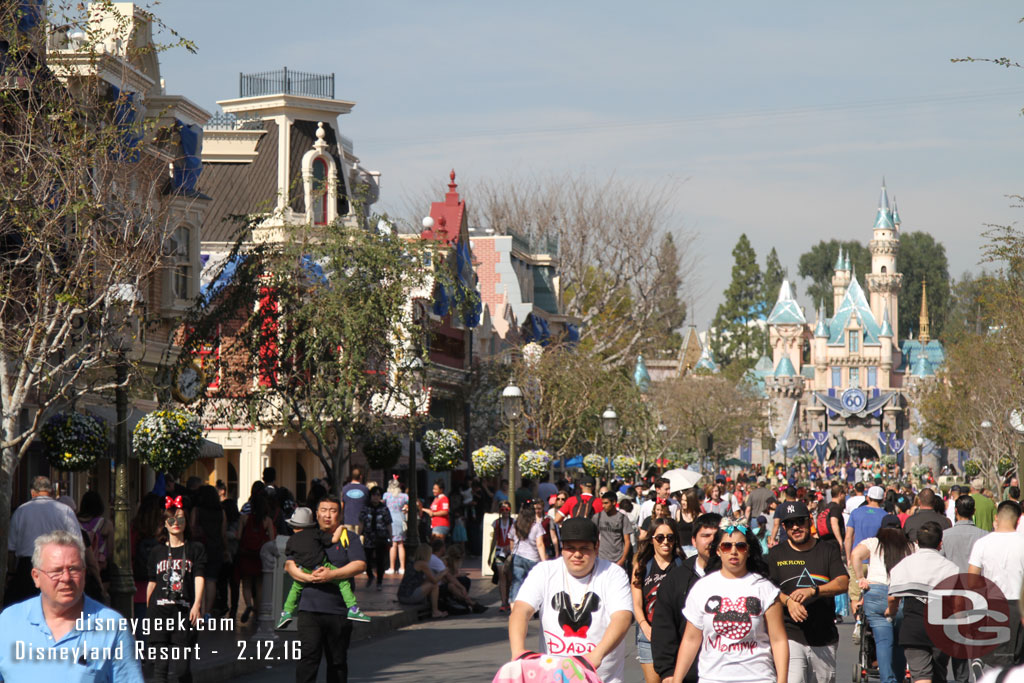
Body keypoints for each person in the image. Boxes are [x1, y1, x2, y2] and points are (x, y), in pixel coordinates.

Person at [0, 530, 142, 681]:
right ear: (36, 577)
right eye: (56, 571)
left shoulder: (112, 627)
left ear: (84, 574)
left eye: (73, 569)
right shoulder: (9, 621)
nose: (66, 578)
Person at [510, 518, 633, 683]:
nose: (577, 554)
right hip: (554, 676)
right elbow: (521, 610)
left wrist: (595, 656)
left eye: (584, 548)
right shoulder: (544, 571)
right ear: (562, 548)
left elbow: (622, 618)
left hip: (601, 677)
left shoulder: (613, 574)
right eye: (570, 548)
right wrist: (518, 651)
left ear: (596, 547)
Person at [671, 520, 789, 683]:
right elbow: (691, 639)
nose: (733, 551)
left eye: (740, 546)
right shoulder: (703, 588)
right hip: (712, 678)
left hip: (758, 678)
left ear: (748, 551)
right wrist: (677, 679)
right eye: (727, 546)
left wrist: (782, 680)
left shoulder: (764, 588)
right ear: (718, 551)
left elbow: (779, 640)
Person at [285, 495, 367, 683]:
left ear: (339, 514)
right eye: (323, 510)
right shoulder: (305, 536)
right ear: (316, 513)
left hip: (338, 611)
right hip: (309, 610)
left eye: (332, 510)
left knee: (337, 662)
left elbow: (360, 565)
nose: (327, 515)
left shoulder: (348, 538)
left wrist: (332, 575)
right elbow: (289, 565)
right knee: (308, 660)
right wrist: (307, 577)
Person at [767, 500, 849, 683]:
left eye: (800, 521)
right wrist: (788, 601)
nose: (795, 527)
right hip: (790, 635)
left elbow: (843, 582)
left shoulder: (827, 550)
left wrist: (814, 591)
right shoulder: (776, 554)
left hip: (824, 637)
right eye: (789, 523)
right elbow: (767, 589)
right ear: (784, 527)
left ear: (809, 521)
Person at [651, 512, 723, 683]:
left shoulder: (738, 577)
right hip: (688, 672)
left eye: (716, 536)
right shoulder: (676, 579)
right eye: (705, 535)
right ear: (693, 540)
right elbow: (663, 627)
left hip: (727, 670)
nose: (711, 541)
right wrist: (667, 671)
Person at [887, 521, 960, 683]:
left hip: (913, 627)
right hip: (942, 628)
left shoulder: (904, 565)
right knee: (939, 674)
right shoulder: (951, 568)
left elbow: (892, 598)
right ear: (940, 544)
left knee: (921, 675)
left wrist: (890, 612)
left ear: (917, 543)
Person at [146, 496, 207, 683]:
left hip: (183, 613)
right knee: (160, 669)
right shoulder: (156, 552)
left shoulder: (195, 549)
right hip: (160, 612)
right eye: (171, 520)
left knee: (181, 669)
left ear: (187, 522)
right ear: (165, 523)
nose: (176, 523)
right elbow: (152, 582)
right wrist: (149, 611)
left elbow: (199, 577)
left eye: (180, 519)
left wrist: (197, 605)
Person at [277, 506, 369, 628]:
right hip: (321, 566)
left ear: (294, 527)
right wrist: (341, 527)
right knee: (343, 582)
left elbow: (289, 562)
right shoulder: (316, 533)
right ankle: (353, 608)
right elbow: (335, 538)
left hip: (304, 569)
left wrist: (306, 577)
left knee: (295, 588)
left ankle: (286, 612)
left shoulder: (291, 540)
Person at [850, 514, 913, 683]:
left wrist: (859, 578)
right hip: (900, 594)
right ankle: (899, 678)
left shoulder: (873, 543)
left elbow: (855, 555)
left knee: (883, 641)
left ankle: (887, 680)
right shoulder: (910, 546)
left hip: (875, 591)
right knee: (900, 641)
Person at [6, 476, 83, 605]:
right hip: (58, 567)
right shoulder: (65, 511)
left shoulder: (21, 511)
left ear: (32, 492)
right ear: (52, 492)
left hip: (27, 568)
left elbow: (11, 549)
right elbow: (78, 543)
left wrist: (11, 574)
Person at [969, 500, 1024, 670]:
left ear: (996, 518)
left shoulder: (982, 543)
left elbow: (971, 580)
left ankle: (986, 669)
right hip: (1019, 605)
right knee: (1017, 658)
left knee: (998, 658)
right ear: (1018, 519)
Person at [632, 518, 682, 683]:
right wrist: (644, 625)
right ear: (652, 539)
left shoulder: (682, 564)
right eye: (660, 537)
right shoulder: (642, 565)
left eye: (670, 537)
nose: (665, 542)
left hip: (677, 635)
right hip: (649, 635)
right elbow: (637, 603)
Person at [235, 488, 275, 623]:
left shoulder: (244, 518)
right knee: (259, 583)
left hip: (246, 554)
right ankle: (258, 610)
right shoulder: (267, 520)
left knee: (246, 583)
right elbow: (272, 539)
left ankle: (249, 605)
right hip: (260, 555)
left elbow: (239, 536)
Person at [189, 484, 227, 620]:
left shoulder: (197, 510)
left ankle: (197, 608)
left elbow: (192, 528)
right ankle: (207, 613)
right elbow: (223, 533)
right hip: (215, 548)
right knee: (211, 580)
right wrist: (225, 549)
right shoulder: (221, 512)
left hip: (199, 547)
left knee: (198, 578)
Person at [845, 484, 887, 605]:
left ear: (867, 498)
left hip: (857, 559)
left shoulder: (856, 513)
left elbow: (848, 537)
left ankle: (858, 620)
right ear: (882, 500)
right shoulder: (885, 516)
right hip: (876, 562)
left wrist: (848, 558)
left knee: (855, 595)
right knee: (875, 596)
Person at [508, 502, 547, 601]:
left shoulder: (515, 525)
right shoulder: (537, 526)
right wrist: (544, 561)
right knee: (533, 584)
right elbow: (540, 544)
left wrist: (513, 553)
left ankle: (514, 606)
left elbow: (511, 541)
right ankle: (532, 605)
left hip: (517, 557)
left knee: (517, 583)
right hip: (532, 558)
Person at [397, 544, 446, 618]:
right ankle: (435, 611)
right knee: (434, 586)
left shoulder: (412, 562)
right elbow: (434, 581)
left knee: (428, 583)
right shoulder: (423, 564)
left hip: (402, 595)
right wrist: (443, 572)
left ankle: (429, 604)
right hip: (408, 596)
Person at [359, 486, 392, 591]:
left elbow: (388, 524)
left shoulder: (384, 509)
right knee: (366, 559)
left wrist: (390, 537)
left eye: (378, 495)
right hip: (368, 536)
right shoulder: (365, 508)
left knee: (380, 561)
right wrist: (358, 535)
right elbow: (361, 522)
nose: (376, 497)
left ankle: (379, 582)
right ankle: (370, 575)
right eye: (374, 495)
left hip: (381, 537)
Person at [593, 491, 633, 569]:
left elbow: (627, 541)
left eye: (606, 503)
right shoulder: (597, 517)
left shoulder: (622, 518)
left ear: (614, 502)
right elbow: (594, 538)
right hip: (602, 559)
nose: (603, 506)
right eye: (602, 503)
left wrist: (623, 559)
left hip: (617, 559)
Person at [491, 500, 514, 612]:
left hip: (509, 552)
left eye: (507, 509)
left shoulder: (513, 522)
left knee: (509, 577)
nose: (504, 512)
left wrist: (511, 548)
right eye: (502, 509)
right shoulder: (496, 523)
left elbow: (516, 538)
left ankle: (508, 599)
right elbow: (494, 538)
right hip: (499, 551)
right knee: (502, 577)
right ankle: (503, 602)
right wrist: (490, 554)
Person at [383, 476, 409, 575]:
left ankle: (392, 567)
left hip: (391, 521)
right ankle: (402, 567)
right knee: (401, 544)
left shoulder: (387, 495)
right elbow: (410, 504)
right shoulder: (404, 496)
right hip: (401, 520)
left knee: (393, 545)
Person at [341, 467, 369, 534]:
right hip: (361, 521)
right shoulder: (365, 489)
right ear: (361, 477)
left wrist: (341, 517)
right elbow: (368, 504)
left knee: (349, 540)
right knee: (359, 540)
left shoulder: (345, 489)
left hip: (347, 519)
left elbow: (342, 504)